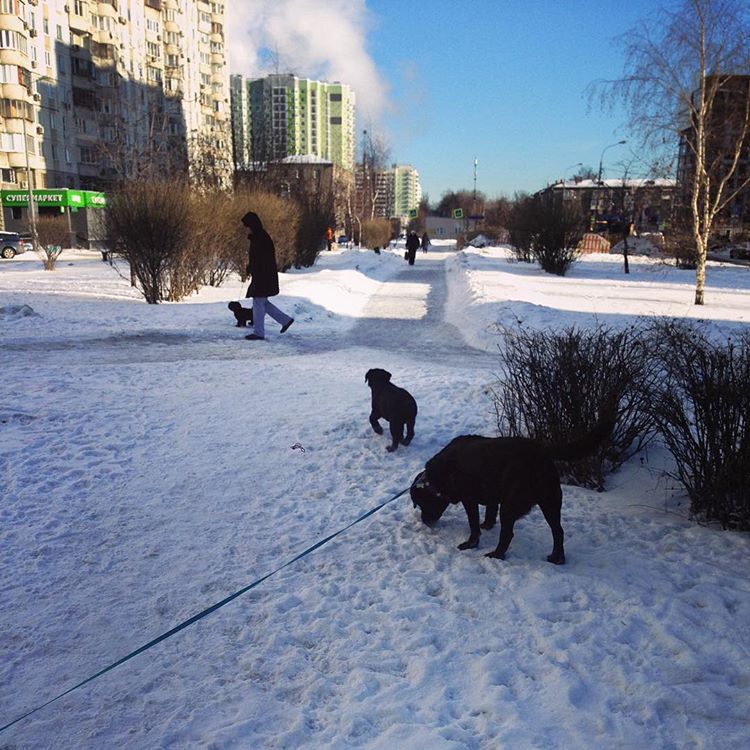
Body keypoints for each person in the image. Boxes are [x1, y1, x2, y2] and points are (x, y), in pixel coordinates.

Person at [241, 211, 294, 341]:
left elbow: (260, 258)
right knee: (261, 301)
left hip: (262, 274)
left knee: (259, 301)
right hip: (264, 274)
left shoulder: (259, 238)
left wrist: (252, 268)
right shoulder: (260, 236)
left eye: (247, 226)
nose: (247, 229)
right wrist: (251, 267)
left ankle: (259, 332)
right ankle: (285, 320)